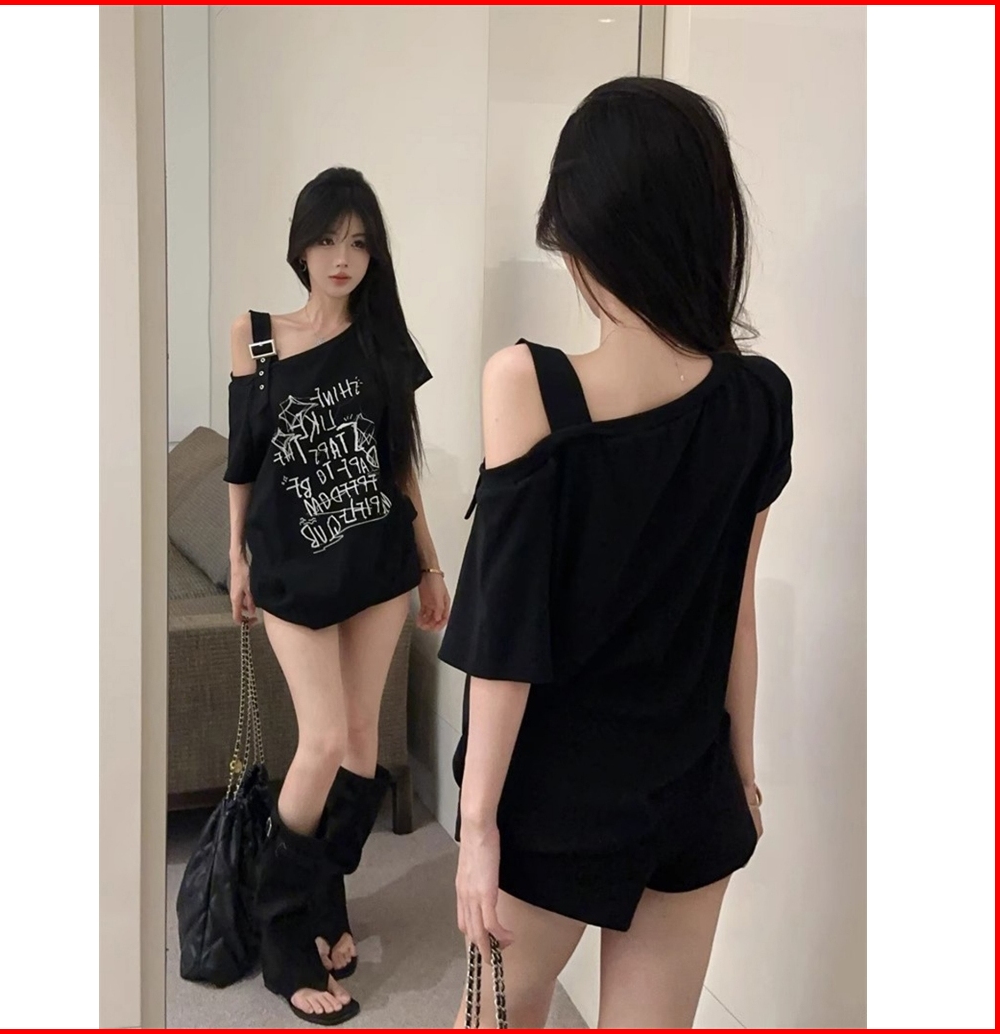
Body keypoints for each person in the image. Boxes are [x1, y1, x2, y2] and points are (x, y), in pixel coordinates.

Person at [438, 76, 793, 1029]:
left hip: (550, 804)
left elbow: (505, 637)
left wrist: (478, 828)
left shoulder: (529, 386)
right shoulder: (760, 400)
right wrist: (740, 773)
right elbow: (738, 613)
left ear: (591, 234)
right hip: (690, 788)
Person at [224, 167, 450, 1025]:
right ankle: (285, 927)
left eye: (358, 241)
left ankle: (324, 899)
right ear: (301, 246)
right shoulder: (256, 336)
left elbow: (400, 465)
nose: (341, 257)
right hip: (292, 566)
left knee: (360, 744)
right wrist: (238, 554)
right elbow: (244, 457)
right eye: (326, 239)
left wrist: (430, 563)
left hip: (378, 563)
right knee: (320, 741)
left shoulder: (382, 340)